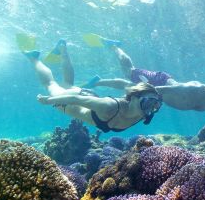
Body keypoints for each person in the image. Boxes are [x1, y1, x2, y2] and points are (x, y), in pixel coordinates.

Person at [23, 39, 162, 132]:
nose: (151, 109)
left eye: (155, 106)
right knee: (50, 84)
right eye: (148, 103)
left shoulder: (143, 114)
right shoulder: (109, 107)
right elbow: (75, 100)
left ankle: (62, 48)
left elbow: (127, 85)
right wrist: (49, 100)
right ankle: (33, 58)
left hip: (90, 98)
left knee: (67, 83)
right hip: (70, 102)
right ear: (134, 98)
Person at [81, 38, 205, 111]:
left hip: (160, 93)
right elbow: (171, 90)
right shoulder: (199, 89)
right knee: (129, 72)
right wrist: (144, 91)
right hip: (159, 82)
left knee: (129, 82)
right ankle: (114, 46)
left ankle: (98, 81)